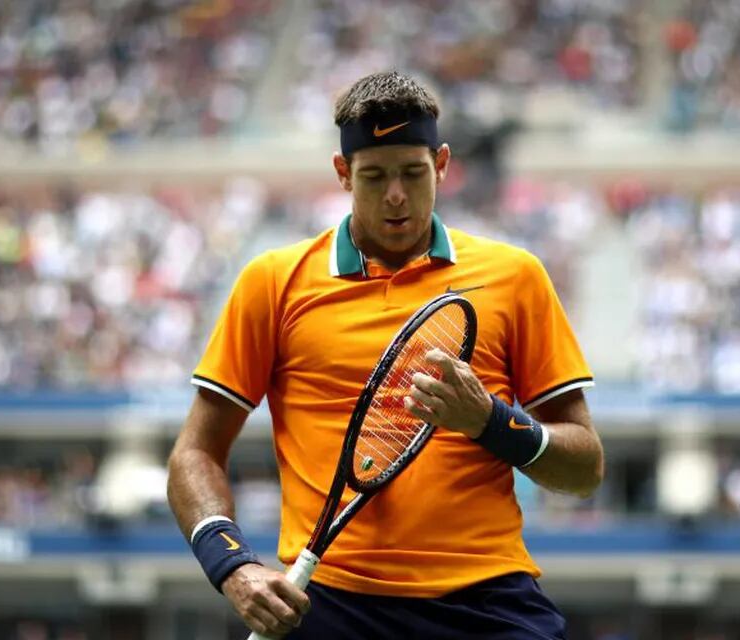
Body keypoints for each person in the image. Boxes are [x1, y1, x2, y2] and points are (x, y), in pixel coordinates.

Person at [167, 71, 604, 640]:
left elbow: (585, 468)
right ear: (343, 173)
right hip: (329, 600)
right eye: (374, 176)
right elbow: (194, 454)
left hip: (488, 601)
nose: (395, 195)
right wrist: (233, 566)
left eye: (412, 173)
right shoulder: (273, 282)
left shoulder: (515, 277)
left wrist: (490, 422)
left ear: (442, 165)